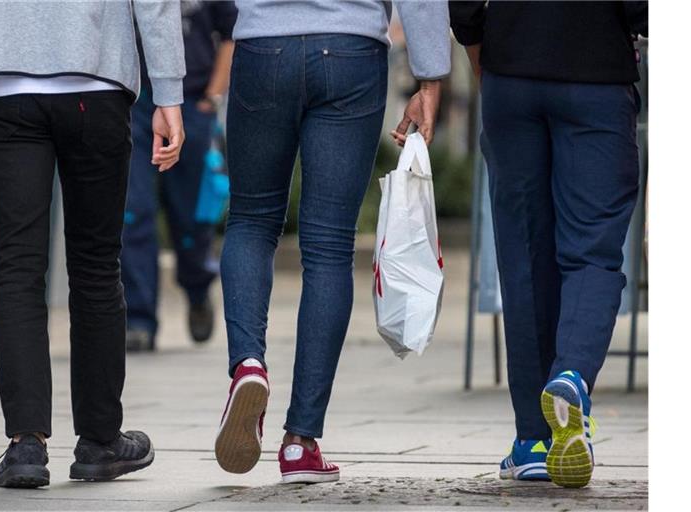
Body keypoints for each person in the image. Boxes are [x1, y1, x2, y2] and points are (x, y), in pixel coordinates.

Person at [214, 0, 450, 484]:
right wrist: (430, 76)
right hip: (351, 49)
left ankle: (248, 365)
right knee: (329, 245)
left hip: (263, 46)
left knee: (252, 221)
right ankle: (301, 442)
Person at [0, 0, 185, 488]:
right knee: (95, 265)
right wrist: (169, 95)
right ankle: (101, 442)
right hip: (95, 78)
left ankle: (26, 444)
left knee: (18, 267)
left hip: (2, 79)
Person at [449, 0, 648, 488]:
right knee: (594, 252)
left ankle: (533, 443)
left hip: (510, 76)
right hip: (597, 77)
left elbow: (464, 6)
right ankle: (572, 377)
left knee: (523, 256)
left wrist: (484, 55)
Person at [122, 1, 237, 352]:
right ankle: (139, 319)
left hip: (191, 101)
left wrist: (212, 99)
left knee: (190, 217)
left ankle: (198, 287)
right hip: (133, 103)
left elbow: (232, 35)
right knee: (132, 213)